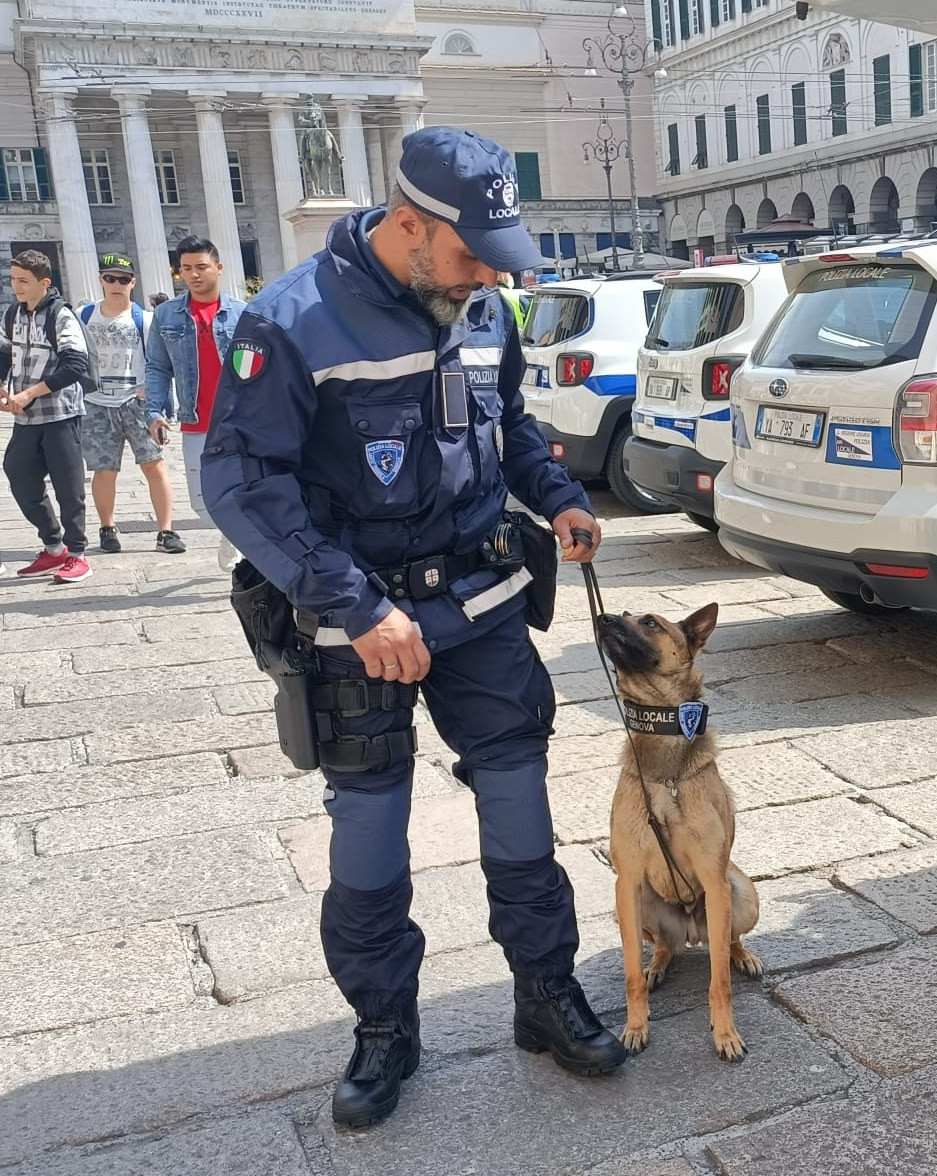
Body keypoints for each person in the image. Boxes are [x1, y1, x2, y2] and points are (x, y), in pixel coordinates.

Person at [202, 126, 626, 1129]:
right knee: (370, 827)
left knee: (519, 798)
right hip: (360, 623)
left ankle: (544, 994)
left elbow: (507, 422)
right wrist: (355, 608)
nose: (487, 276)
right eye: (472, 253)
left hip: (479, 603)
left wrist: (556, 493)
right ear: (407, 225)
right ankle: (384, 1029)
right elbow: (239, 482)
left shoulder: (481, 304)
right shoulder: (290, 320)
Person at [0, 250, 94, 584]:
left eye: (23, 281)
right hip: (25, 417)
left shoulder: (61, 316)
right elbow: (1, 353)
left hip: (60, 413)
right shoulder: (12, 314)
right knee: (17, 471)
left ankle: (77, 553)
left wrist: (30, 393)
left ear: (44, 283)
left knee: (68, 485)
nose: (16, 287)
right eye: (13, 280)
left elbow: (75, 365)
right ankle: (53, 544)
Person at [145, 235, 244, 569]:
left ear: (218, 267)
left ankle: (243, 540)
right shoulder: (167, 315)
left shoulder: (243, 314)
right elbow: (158, 367)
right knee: (201, 502)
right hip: (196, 420)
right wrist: (155, 413)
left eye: (201, 267)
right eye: (186, 269)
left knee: (245, 487)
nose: (194, 274)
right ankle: (234, 532)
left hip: (239, 420)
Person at [80, 253, 184, 555]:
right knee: (103, 469)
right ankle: (107, 526)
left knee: (154, 464)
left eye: (123, 279)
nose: (116, 284)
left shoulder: (145, 319)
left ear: (132, 283)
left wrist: (154, 399)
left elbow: (158, 361)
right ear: (101, 280)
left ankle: (166, 530)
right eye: (110, 278)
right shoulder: (84, 316)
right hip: (96, 402)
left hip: (135, 399)